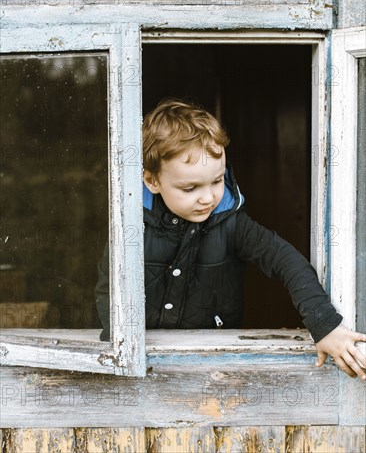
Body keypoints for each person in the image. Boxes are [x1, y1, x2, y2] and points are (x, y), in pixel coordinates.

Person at [95, 98, 366, 380]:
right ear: (151, 181)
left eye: (217, 181)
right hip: (144, 364)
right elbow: (110, 287)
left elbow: (287, 261)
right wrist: (120, 345)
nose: (208, 197)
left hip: (216, 364)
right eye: (190, 188)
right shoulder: (131, 225)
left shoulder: (232, 224)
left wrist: (325, 325)